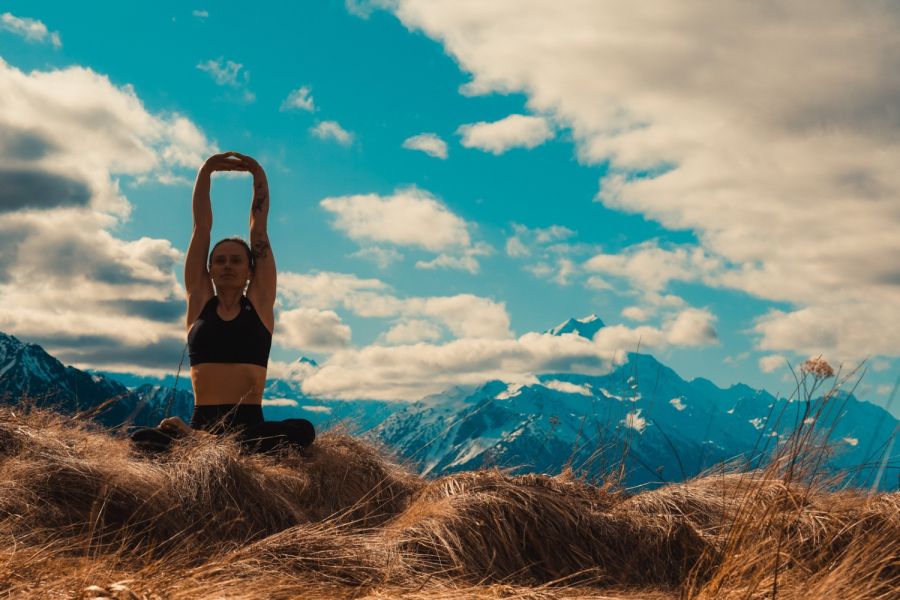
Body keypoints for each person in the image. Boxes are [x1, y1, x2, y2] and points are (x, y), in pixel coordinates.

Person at [131, 151, 315, 454]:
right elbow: (200, 228)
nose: (227, 265)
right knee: (142, 440)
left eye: (236, 260)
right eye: (219, 260)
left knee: (303, 430)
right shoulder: (199, 301)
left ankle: (209, 443)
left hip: (249, 427)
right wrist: (206, 171)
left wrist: (258, 173)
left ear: (250, 270)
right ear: (209, 269)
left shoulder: (259, 303)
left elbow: (259, 230)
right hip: (201, 423)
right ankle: (210, 441)